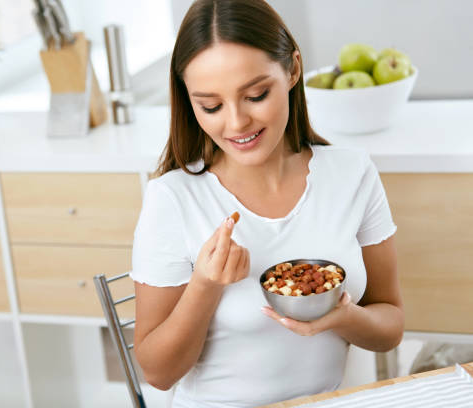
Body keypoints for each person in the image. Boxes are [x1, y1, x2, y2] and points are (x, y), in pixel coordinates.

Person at [130, 0, 404, 406]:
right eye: (211, 106)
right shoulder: (172, 198)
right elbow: (158, 374)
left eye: (256, 95)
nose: (237, 123)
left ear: (292, 70)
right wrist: (205, 286)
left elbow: (390, 327)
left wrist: (343, 316)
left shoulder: (352, 174)